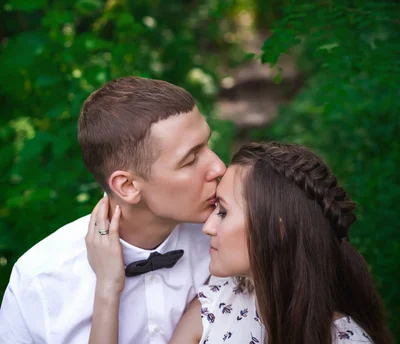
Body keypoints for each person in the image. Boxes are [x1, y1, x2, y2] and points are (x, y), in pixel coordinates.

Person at [0, 76, 249, 344]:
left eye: (207, 145)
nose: (218, 167)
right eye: (190, 160)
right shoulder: (40, 280)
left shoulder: (234, 244)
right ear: (127, 185)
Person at [86, 141, 394, 344]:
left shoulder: (348, 340)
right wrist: (108, 288)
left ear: (277, 230)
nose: (207, 227)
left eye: (223, 211)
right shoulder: (221, 301)